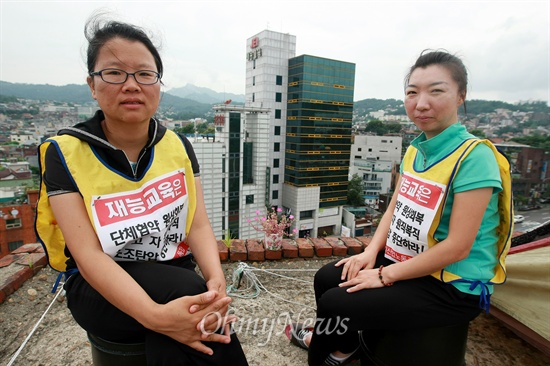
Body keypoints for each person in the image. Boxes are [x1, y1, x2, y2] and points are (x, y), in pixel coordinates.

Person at [35, 15, 248, 366]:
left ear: (158, 85)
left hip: (172, 271)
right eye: (115, 73)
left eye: (145, 74)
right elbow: (88, 256)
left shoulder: (177, 145)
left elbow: (197, 225)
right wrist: (154, 315)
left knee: (191, 300)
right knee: (188, 299)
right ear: (92, 84)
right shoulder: (65, 153)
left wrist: (215, 277)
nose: (131, 85)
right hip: (96, 288)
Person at [287, 50, 512, 366]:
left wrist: (383, 275)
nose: (421, 103)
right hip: (412, 259)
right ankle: (345, 347)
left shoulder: (474, 157)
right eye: (412, 92)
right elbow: (395, 206)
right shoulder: (416, 150)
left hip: (452, 284)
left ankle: (324, 355)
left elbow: (459, 247)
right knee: (329, 277)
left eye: (436, 91)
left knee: (339, 302)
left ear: (461, 96)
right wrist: (369, 253)